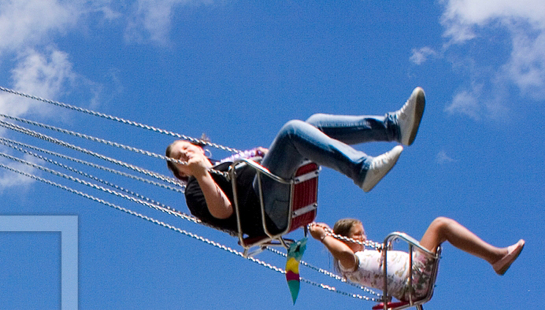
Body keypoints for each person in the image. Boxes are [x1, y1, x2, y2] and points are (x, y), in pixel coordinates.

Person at [166, 88, 425, 238]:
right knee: (291, 132)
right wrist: (201, 175)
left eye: (187, 147)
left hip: (273, 189)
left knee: (314, 123)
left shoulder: (224, 163)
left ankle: (394, 128)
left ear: (200, 147)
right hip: (264, 211)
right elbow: (224, 212)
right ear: (180, 173)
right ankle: (362, 170)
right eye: (180, 158)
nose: (185, 154)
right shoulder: (193, 191)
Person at [311, 218, 525, 302]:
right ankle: (496, 257)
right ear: (344, 239)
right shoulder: (348, 263)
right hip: (411, 281)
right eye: (358, 234)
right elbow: (345, 254)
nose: (364, 238)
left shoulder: (363, 257)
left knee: (441, 228)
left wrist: (385, 254)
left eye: (364, 233)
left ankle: (496, 258)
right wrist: (324, 236)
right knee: (440, 225)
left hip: (411, 282)